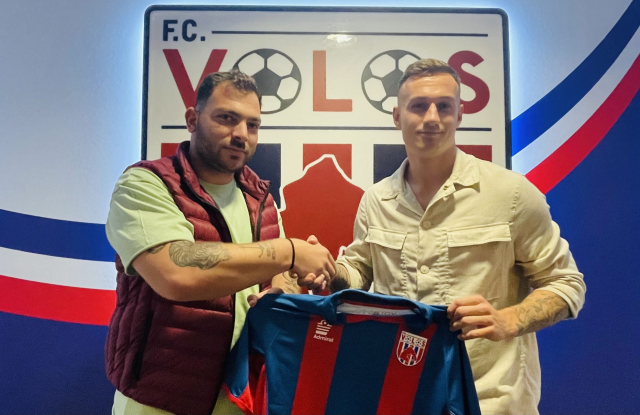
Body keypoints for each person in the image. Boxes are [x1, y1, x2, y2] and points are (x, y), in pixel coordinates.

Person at [299, 59, 586, 414]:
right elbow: (360, 273)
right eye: (419, 106)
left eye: (444, 106)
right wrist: (329, 271)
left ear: (460, 114)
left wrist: (508, 320)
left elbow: (566, 284)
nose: (432, 117)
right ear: (397, 116)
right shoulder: (376, 200)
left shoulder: (512, 194)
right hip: (399, 397)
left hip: (490, 400)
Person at [104, 69, 335, 415]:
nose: (241, 134)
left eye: (252, 125)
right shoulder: (145, 184)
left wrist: (282, 292)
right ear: (192, 120)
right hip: (161, 396)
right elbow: (175, 274)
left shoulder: (261, 198)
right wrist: (290, 252)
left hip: (242, 394)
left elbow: (278, 274)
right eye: (227, 118)